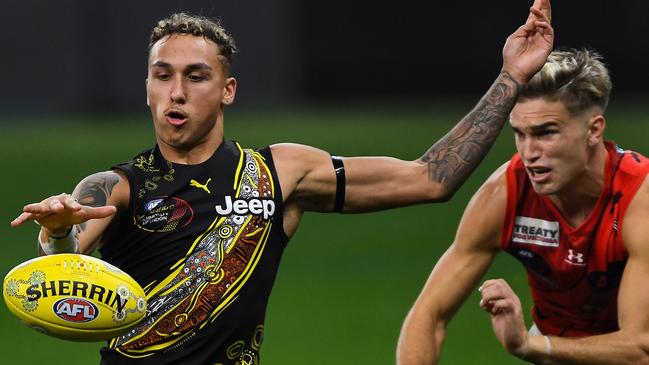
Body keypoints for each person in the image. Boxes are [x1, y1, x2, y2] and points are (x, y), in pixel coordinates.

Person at [10, 1, 552, 364]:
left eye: (195, 76)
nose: (176, 92)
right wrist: (58, 232)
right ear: (147, 86)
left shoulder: (280, 173)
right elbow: (60, 263)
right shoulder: (115, 187)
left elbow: (431, 178)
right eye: (162, 75)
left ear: (227, 90)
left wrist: (512, 77)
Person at [397, 46, 649, 365]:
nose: (529, 152)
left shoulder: (639, 200)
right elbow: (428, 315)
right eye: (520, 134)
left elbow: (640, 349)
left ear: (594, 130)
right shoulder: (506, 192)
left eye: (546, 133)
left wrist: (531, 346)